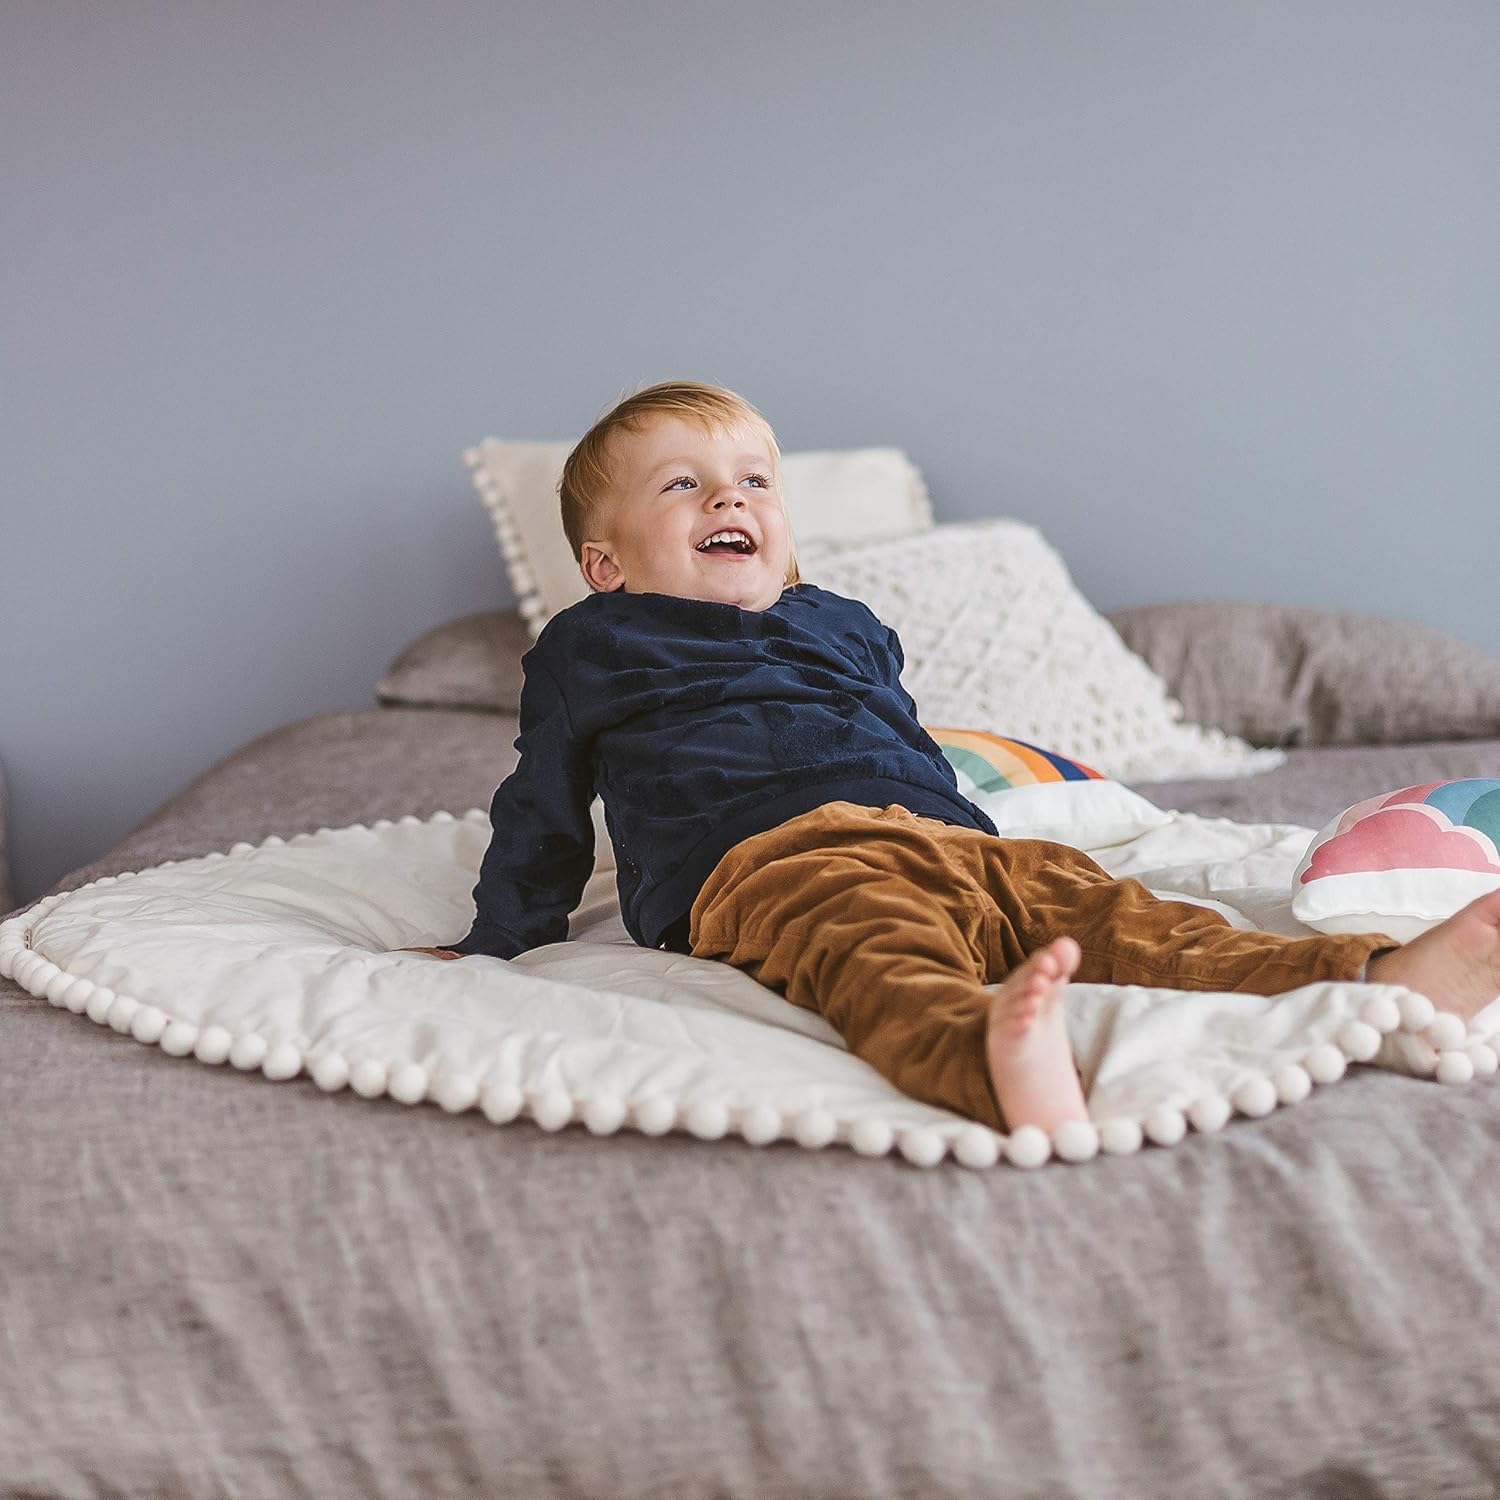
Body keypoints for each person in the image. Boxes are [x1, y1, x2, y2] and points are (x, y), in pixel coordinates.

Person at [399, 380, 1500, 1134]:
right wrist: (500, 937)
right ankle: (985, 1058)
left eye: (752, 479)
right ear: (604, 562)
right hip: (764, 859)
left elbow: (903, 737)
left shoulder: (842, 620)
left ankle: (1372, 977)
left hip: (953, 838)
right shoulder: (593, 644)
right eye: (683, 485)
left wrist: (968, 828)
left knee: (1140, 921)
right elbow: (539, 802)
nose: (729, 497)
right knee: (875, 952)